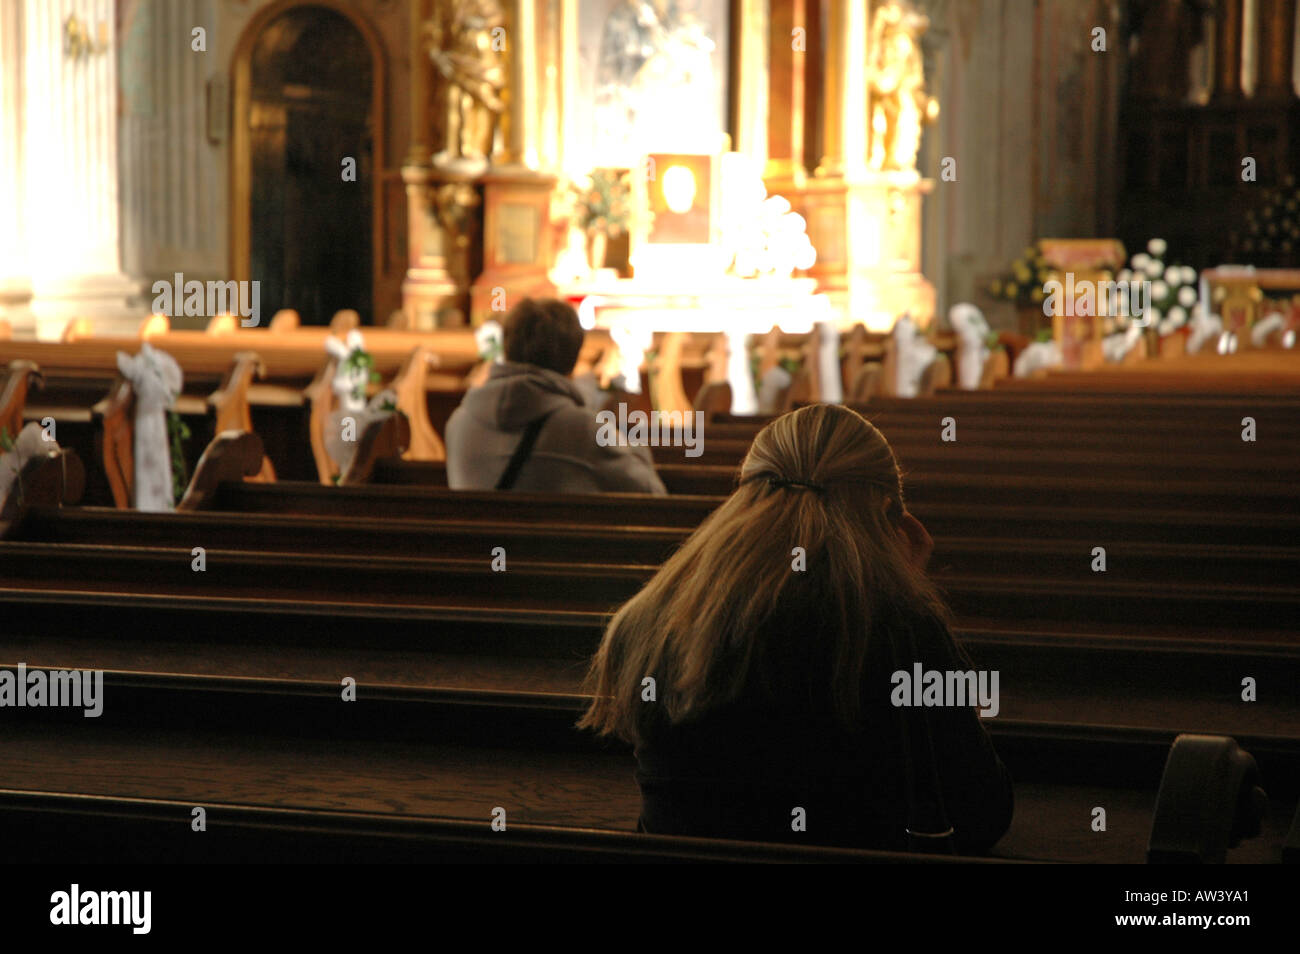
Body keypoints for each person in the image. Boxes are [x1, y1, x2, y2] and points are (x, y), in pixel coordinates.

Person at [578, 403, 1013, 853]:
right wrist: (910, 592)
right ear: (886, 514)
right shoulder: (900, 627)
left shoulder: (650, 617)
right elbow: (982, 811)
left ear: (745, 492)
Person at [445, 298, 667, 495]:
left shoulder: (459, 422)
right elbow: (652, 494)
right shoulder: (583, 429)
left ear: (507, 348)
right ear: (573, 360)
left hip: (479, 543)